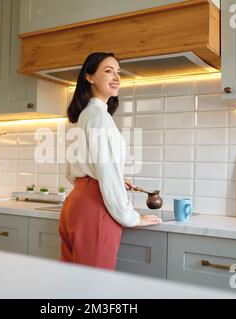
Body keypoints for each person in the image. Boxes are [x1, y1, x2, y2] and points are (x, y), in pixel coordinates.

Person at [59, 52, 163, 270]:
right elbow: (106, 176)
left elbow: (74, 171)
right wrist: (133, 217)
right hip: (95, 209)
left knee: (73, 287)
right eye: (108, 71)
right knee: (94, 290)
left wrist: (111, 177)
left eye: (118, 72)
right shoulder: (100, 118)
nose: (116, 77)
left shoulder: (86, 115)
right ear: (89, 77)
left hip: (75, 205)